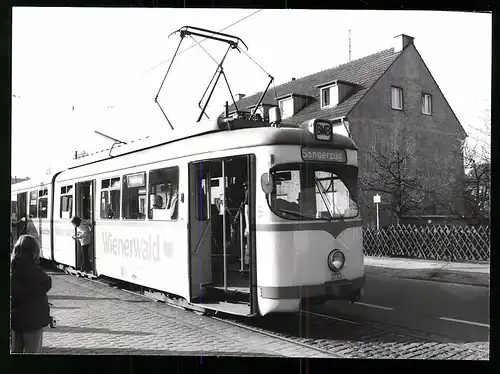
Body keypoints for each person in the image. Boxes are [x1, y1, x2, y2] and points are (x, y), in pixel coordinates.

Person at [10, 235, 52, 354]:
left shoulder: (13, 268)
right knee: (32, 351)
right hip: (33, 319)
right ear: (34, 252)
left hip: (16, 318)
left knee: (15, 350)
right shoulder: (34, 270)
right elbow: (47, 283)